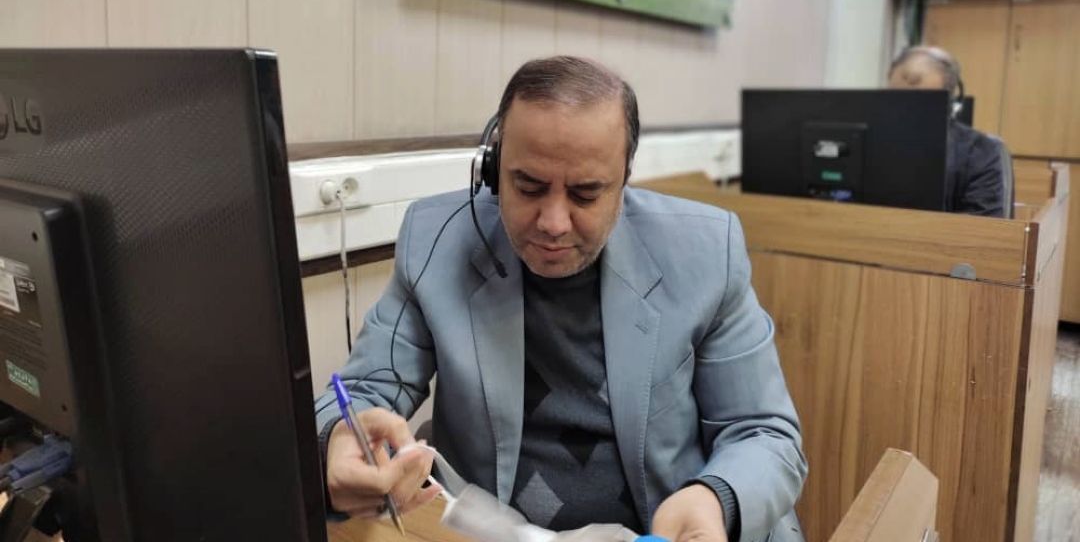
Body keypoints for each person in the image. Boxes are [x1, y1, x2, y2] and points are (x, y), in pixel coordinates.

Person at [315, 56, 807, 542]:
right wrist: (337, 439)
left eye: (586, 194)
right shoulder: (435, 241)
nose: (553, 223)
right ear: (493, 169)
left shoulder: (705, 253)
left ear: (624, 179)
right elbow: (363, 391)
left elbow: (764, 432)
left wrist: (713, 499)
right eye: (528, 187)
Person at [886, 46, 1013, 217]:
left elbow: (983, 226)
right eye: (896, 98)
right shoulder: (869, 142)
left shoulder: (981, 152)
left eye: (922, 101)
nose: (906, 110)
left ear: (951, 103)